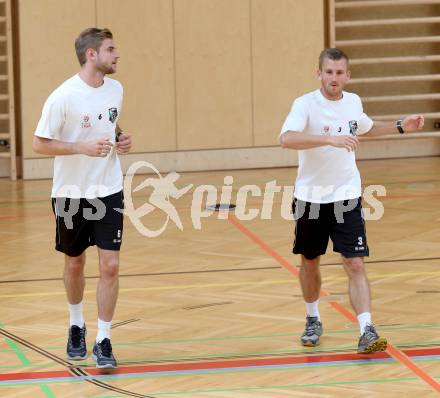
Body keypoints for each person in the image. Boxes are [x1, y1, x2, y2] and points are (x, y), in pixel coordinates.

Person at [279, 48, 424, 353]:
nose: (334, 78)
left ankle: (367, 330)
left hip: (347, 197)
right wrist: (328, 139)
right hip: (310, 199)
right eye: (328, 72)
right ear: (319, 73)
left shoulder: (353, 102)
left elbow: (367, 128)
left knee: (355, 263)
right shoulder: (304, 104)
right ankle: (312, 318)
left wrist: (401, 126)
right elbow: (287, 138)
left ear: (348, 75)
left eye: (339, 72)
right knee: (309, 261)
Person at [32, 28, 132, 368]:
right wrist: (79, 148)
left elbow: (110, 125)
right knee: (74, 262)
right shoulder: (62, 96)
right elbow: (39, 143)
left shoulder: (116, 89)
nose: (117, 55)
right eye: (111, 49)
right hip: (71, 194)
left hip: (109, 188)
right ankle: (77, 323)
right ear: (92, 55)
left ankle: (104, 339)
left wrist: (120, 138)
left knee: (111, 265)